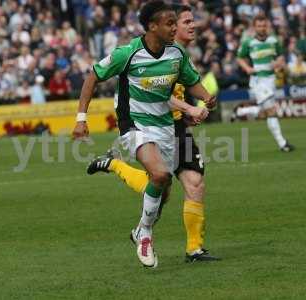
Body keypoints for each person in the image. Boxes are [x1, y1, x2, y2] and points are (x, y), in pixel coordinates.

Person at [72, 1, 213, 268]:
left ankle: (139, 226)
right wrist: (81, 118)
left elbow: (191, 81)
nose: (174, 28)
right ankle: (145, 232)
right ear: (152, 26)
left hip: (166, 127)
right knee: (159, 174)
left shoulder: (176, 54)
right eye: (170, 23)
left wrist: (206, 97)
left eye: (176, 23)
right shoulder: (128, 53)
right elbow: (93, 76)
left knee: (164, 187)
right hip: (134, 124)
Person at [235, 13, 294, 152]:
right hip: (258, 80)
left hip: (271, 79)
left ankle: (242, 111)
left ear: (267, 26)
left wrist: (279, 62)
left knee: (267, 111)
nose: (261, 28)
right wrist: (247, 68)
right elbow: (239, 58)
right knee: (272, 110)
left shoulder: (274, 41)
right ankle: (283, 144)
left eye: (263, 26)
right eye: (259, 26)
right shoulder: (248, 42)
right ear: (254, 27)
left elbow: (280, 56)